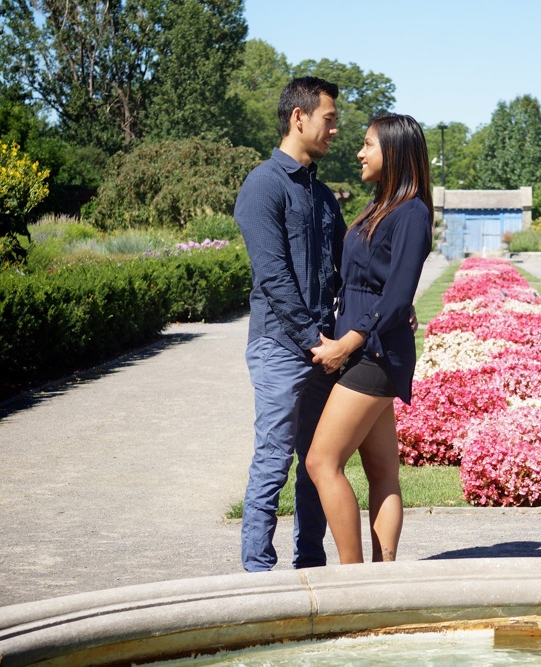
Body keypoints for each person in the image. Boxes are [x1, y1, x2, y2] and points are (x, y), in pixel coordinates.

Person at [306, 114, 434, 564]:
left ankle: (352, 579)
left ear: (394, 152)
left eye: (368, 145)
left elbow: (399, 293)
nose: (360, 153)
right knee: (381, 471)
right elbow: (373, 281)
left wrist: (346, 343)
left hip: (374, 352)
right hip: (368, 346)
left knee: (321, 462)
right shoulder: (379, 206)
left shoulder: (412, 212)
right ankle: (383, 578)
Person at [233, 76, 347, 572]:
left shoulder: (322, 196)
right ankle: (257, 577)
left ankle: (310, 568)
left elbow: (348, 266)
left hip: (321, 348)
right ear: (299, 118)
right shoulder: (262, 185)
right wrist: (314, 341)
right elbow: (273, 275)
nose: (336, 130)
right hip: (281, 347)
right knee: (273, 461)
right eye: (330, 119)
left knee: (318, 464)